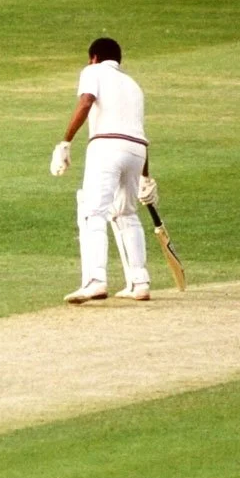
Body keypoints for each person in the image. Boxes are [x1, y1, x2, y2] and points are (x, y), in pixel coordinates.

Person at [50, 38, 155, 304]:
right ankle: (139, 282)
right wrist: (145, 176)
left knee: (92, 211)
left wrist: (66, 141)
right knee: (126, 213)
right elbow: (138, 132)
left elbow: (86, 102)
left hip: (106, 146)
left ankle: (95, 281)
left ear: (94, 57)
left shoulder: (93, 71)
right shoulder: (134, 86)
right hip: (136, 151)